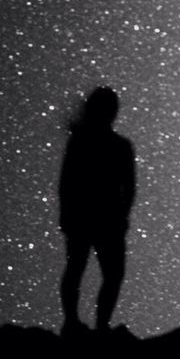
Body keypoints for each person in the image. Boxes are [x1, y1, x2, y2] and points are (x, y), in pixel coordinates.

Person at [58, 86, 136, 335]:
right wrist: (123, 215)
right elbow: (66, 181)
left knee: (97, 272)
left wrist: (123, 215)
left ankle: (91, 323)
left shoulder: (93, 142)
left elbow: (129, 186)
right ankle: (82, 323)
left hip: (98, 217)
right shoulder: (103, 143)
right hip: (96, 217)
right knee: (87, 270)